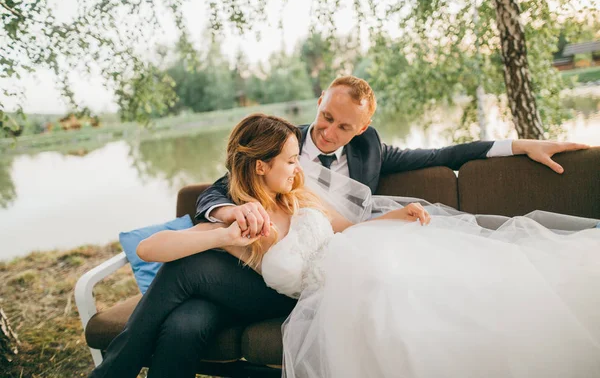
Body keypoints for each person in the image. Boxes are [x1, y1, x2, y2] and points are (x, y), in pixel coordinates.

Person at [91, 113, 600, 378]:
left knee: (186, 301)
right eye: (291, 160)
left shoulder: (305, 188)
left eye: (298, 157)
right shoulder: (238, 207)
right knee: (184, 314)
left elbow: (346, 227)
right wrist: (223, 227)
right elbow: (157, 245)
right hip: (268, 281)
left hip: (335, 276)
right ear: (261, 165)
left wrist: (395, 218)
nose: (301, 165)